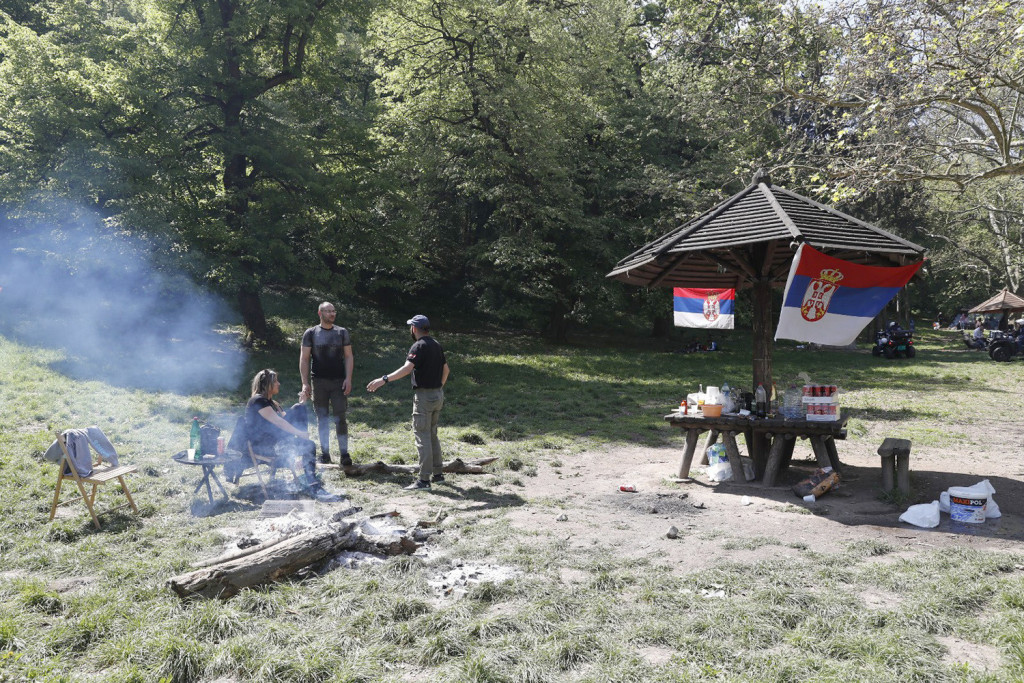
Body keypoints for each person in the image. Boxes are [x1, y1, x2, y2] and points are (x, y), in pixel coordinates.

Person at [366, 315, 450, 490]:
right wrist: (438, 387)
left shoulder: (418, 346)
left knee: (423, 436)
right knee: (432, 434)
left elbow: (407, 368)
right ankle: (438, 474)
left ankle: (424, 480)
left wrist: (384, 379)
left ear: (414, 328)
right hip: (438, 395)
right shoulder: (436, 344)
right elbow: (446, 370)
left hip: (424, 397)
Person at [246, 368, 342, 502]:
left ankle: (313, 485)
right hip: (264, 446)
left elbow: (289, 421)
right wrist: (300, 433)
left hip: (277, 443)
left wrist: (302, 403)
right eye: (275, 381)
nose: (278, 384)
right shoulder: (257, 401)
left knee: (309, 444)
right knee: (297, 409)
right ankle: (312, 483)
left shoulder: (273, 403)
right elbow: (279, 422)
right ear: (266, 384)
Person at [300, 302, 354, 466]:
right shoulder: (311, 333)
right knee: (322, 418)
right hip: (318, 382)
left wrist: (348, 378)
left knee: (340, 418)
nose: (332, 314)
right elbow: (304, 358)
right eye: (328, 311)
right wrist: (305, 383)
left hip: (339, 382)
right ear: (320, 313)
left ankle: (344, 454)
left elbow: (349, 356)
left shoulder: (342, 332)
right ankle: (325, 454)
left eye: (333, 311)